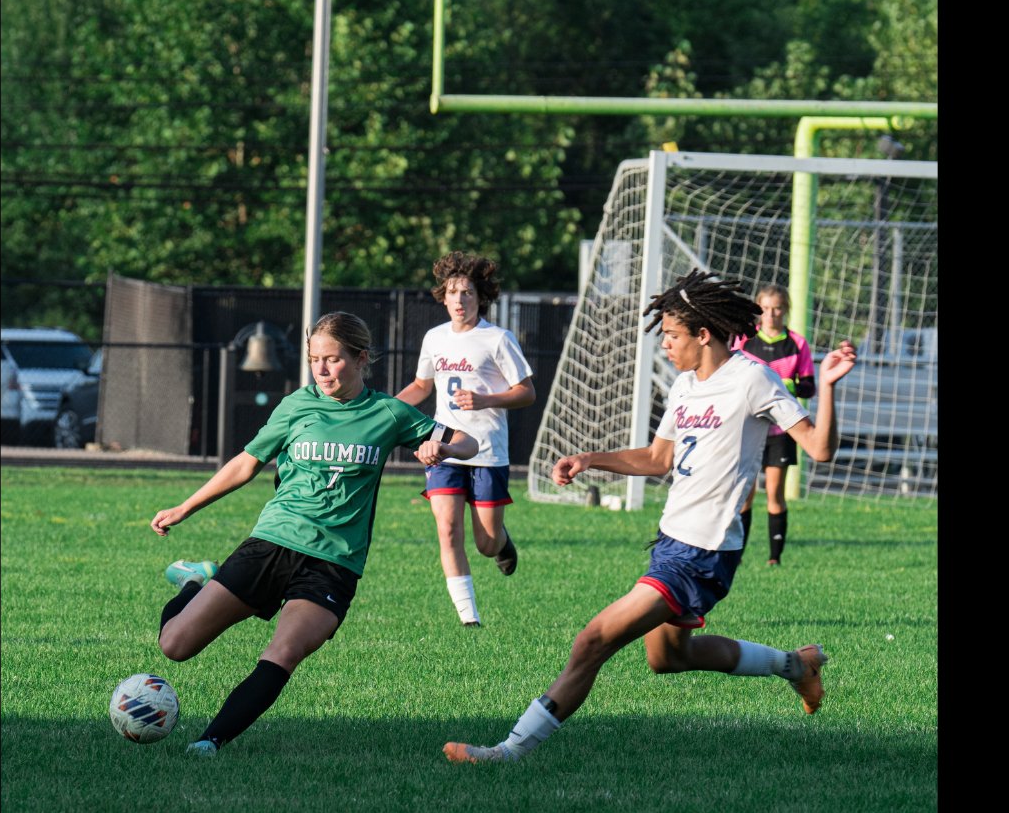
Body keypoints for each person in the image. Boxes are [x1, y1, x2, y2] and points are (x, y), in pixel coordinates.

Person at [443, 269, 856, 765]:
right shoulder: (684, 386)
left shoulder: (751, 379)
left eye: (672, 336)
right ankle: (796, 665)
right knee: (669, 658)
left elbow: (819, 447)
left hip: (704, 552)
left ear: (704, 335)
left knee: (592, 640)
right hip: (671, 540)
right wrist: (592, 458)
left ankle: (509, 750)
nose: (665, 345)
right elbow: (659, 459)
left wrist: (827, 386)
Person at [151, 312, 478, 756]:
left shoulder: (389, 412)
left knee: (283, 653)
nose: (322, 370)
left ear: (361, 359)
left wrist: (443, 446)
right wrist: (185, 507)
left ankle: (210, 741)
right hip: (273, 542)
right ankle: (196, 580)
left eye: (333, 359)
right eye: (314, 360)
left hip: (334, 563)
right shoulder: (296, 406)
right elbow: (246, 464)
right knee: (174, 645)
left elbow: (468, 442)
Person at [396, 252, 536, 626]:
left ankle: (502, 542)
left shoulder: (497, 339)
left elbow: (526, 392)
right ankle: (469, 617)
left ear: (481, 298)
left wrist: (486, 399)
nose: (460, 300)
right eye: (453, 293)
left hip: (488, 450)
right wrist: (384, 411)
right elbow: (422, 386)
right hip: (444, 445)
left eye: (468, 293)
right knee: (447, 529)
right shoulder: (434, 338)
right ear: (443, 297)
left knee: (485, 544)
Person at [733, 284, 816, 565]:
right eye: (765, 309)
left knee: (775, 493)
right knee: (745, 493)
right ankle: (737, 555)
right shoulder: (745, 341)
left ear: (786, 310)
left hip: (782, 429)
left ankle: (774, 558)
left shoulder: (797, 344)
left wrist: (788, 384)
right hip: (748, 428)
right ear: (759, 310)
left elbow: (809, 387)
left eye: (777, 308)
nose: (771, 314)